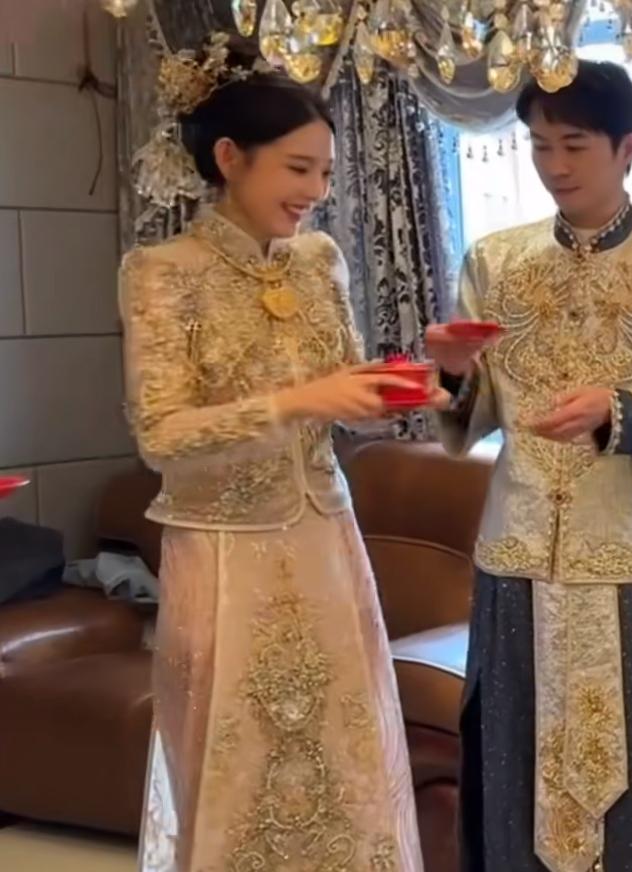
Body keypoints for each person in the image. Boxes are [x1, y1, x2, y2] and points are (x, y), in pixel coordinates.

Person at [425, 60, 632, 872]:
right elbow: (474, 405)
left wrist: (620, 407)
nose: (555, 166)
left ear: (626, 147)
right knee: (516, 746)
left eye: (574, 146)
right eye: (539, 146)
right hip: (521, 545)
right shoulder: (495, 262)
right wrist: (454, 375)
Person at [123, 41, 431, 871]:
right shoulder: (161, 272)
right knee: (237, 767)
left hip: (325, 538)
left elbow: (347, 391)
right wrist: (297, 402)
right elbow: (162, 435)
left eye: (325, 173)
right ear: (230, 158)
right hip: (225, 553)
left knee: (346, 760)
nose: (315, 191)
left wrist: (411, 386)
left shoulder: (320, 261)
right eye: (298, 169)